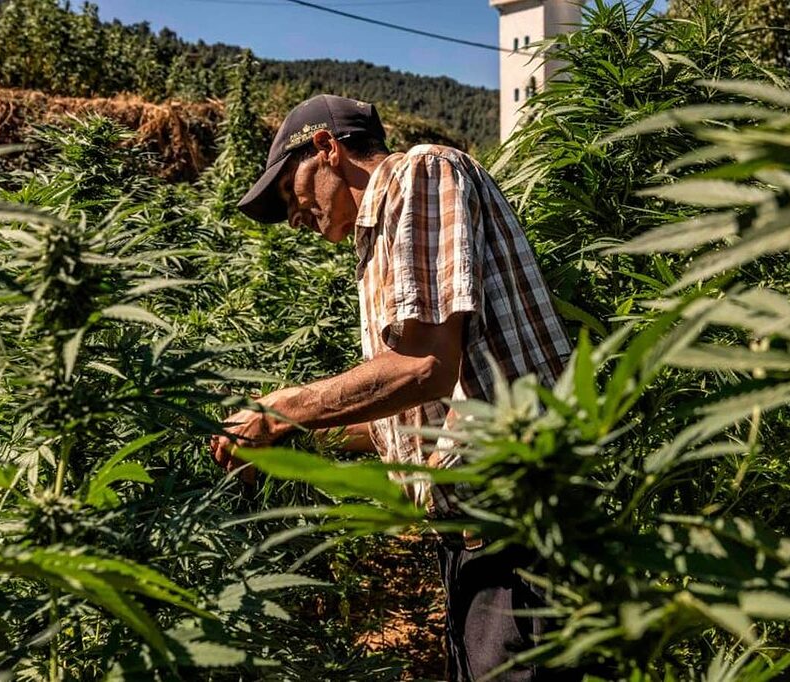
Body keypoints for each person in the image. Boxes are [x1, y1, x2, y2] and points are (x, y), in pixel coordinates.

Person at [209, 94, 572, 681]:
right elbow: (409, 415)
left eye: (290, 194)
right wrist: (293, 440)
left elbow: (425, 365)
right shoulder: (375, 240)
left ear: (326, 149)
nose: (295, 217)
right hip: (470, 535)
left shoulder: (422, 171)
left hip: (517, 525)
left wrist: (280, 408)